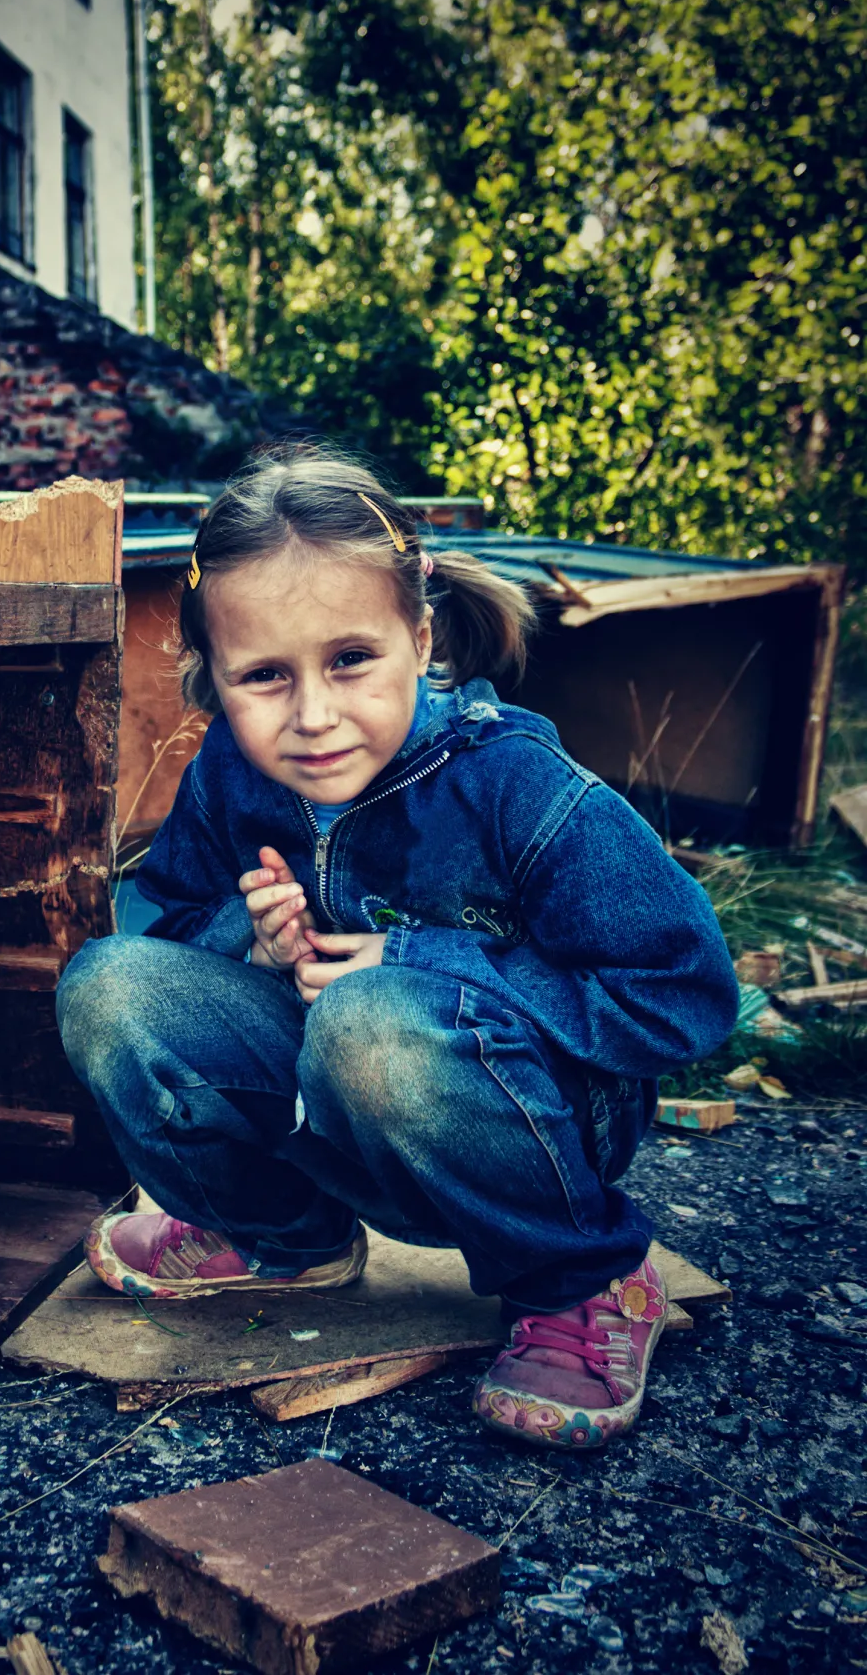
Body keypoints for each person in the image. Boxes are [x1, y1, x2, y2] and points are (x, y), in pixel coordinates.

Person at [56, 448, 739, 1449]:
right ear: (211, 680)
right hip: (331, 1116)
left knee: (367, 1018)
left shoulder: (514, 784)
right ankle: (285, 1238)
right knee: (104, 985)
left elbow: (683, 993)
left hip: (533, 1129)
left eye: (348, 659)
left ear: (419, 637)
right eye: (262, 677)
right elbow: (154, 928)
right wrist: (237, 942)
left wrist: (422, 962)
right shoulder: (227, 779)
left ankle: (581, 1276)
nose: (314, 715)